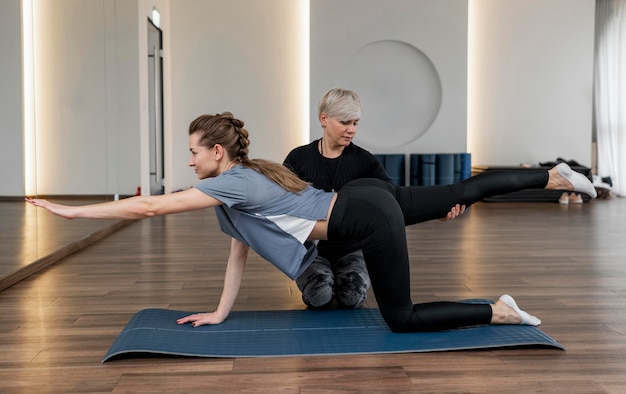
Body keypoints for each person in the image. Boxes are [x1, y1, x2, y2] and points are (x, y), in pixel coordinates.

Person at [26, 112, 597, 333]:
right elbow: (240, 249)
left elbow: (149, 207)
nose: (190, 161)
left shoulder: (225, 182)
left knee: (400, 319)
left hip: (362, 215)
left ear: (217, 155)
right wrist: (220, 312)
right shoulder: (241, 185)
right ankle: (554, 177)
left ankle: (497, 310)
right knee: (465, 189)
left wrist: (71, 209)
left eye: (194, 153)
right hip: (362, 198)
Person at [284, 88, 464, 309]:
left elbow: (394, 200)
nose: (351, 130)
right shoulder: (298, 158)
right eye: (345, 122)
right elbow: (281, 204)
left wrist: (437, 213)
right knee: (319, 296)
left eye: (356, 123)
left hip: (352, 249)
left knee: (351, 297)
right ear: (324, 119)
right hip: (310, 250)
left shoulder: (364, 161)